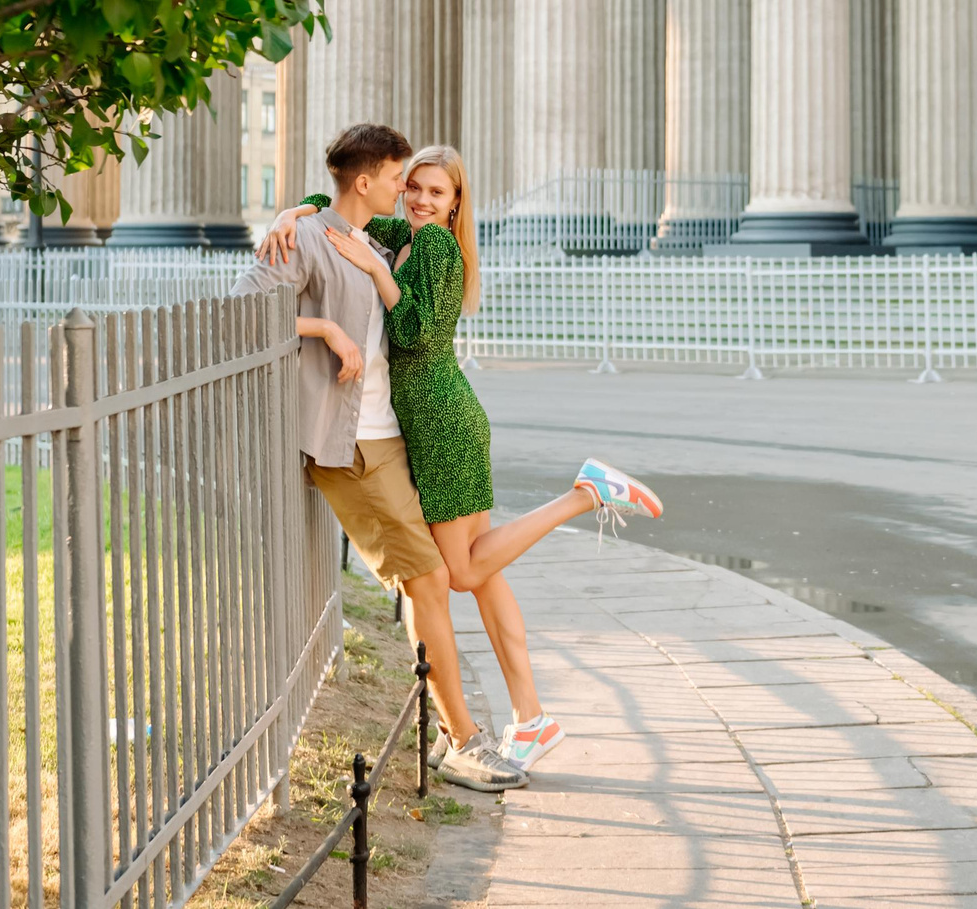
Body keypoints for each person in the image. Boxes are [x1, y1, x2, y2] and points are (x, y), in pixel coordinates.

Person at [263, 144, 663, 774]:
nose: (419, 200)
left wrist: (375, 270)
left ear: (456, 206)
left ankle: (583, 495)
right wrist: (294, 210)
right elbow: (339, 206)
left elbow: (418, 331)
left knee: (466, 573)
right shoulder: (406, 233)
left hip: (441, 423)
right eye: (413, 187)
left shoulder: (438, 250)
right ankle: (531, 719)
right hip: (440, 420)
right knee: (487, 576)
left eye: (436, 194)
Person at [232, 124, 520, 791]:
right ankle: (463, 740)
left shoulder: (370, 240)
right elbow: (244, 308)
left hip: (387, 434)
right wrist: (323, 325)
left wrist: (297, 205)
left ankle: (456, 734)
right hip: (349, 445)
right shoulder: (308, 238)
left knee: (433, 584)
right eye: (400, 178)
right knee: (428, 581)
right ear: (368, 182)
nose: (409, 192)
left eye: (424, 185)